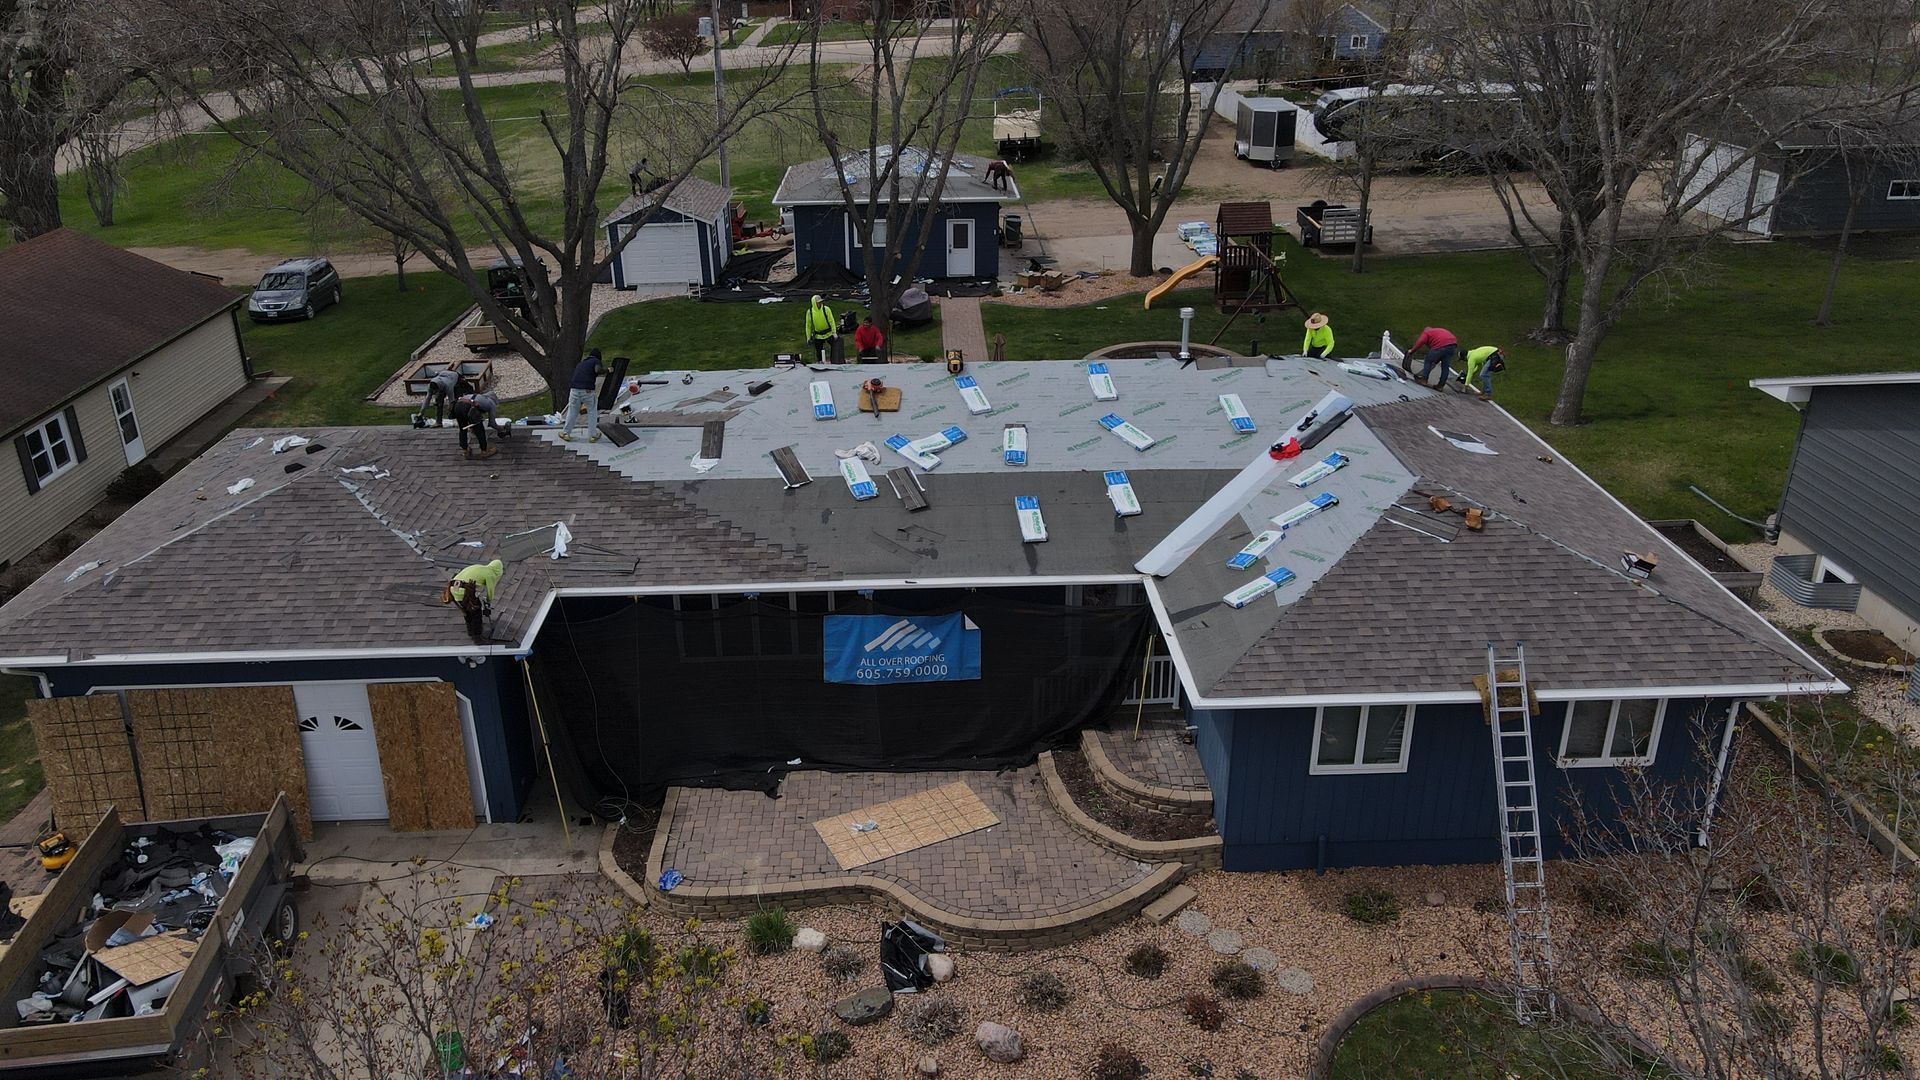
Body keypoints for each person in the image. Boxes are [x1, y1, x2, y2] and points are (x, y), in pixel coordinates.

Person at [447, 559, 504, 643]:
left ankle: (470, 631)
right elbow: (490, 591)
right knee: (476, 612)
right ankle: (478, 638)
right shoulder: (490, 573)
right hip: (465, 591)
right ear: (498, 570)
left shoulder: (478, 567)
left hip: (453, 589)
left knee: (467, 611)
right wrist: (488, 602)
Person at [559, 348, 606, 442]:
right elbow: (598, 370)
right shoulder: (595, 361)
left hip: (574, 390)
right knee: (592, 411)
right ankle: (593, 435)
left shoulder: (581, 364)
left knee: (572, 411)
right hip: (587, 390)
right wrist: (607, 370)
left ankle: (566, 433)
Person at [451, 391, 499, 459]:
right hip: (469, 408)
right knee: (480, 430)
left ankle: (466, 451)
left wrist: (472, 426)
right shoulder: (492, 404)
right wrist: (500, 429)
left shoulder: (479, 397)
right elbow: (492, 424)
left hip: (457, 406)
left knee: (462, 429)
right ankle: (484, 451)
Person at [804, 294, 838, 364]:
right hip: (818, 335)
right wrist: (808, 337)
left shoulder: (826, 309)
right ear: (814, 303)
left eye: (821, 302)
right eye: (818, 302)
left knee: (835, 347)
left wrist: (834, 332)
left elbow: (832, 321)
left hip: (829, 333)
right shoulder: (810, 312)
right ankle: (820, 362)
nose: (820, 303)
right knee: (818, 351)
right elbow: (808, 325)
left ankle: (834, 361)